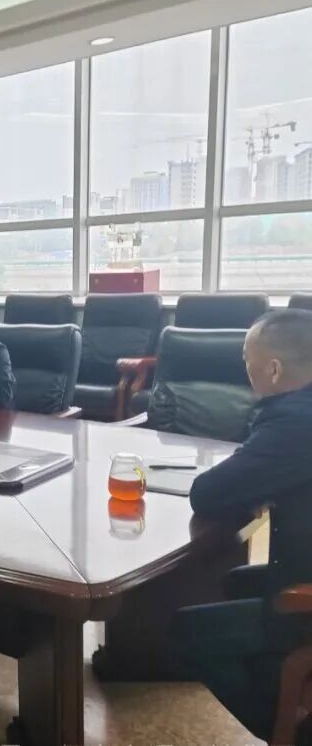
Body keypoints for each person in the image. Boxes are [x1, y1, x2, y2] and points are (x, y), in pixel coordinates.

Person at [172, 308, 312, 742]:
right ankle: (284, 687)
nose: (245, 371)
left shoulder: (295, 422)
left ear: (273, 369)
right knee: (236, 582)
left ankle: (290, 730)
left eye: (248, 360)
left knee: (186, 632)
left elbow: (208, 493)